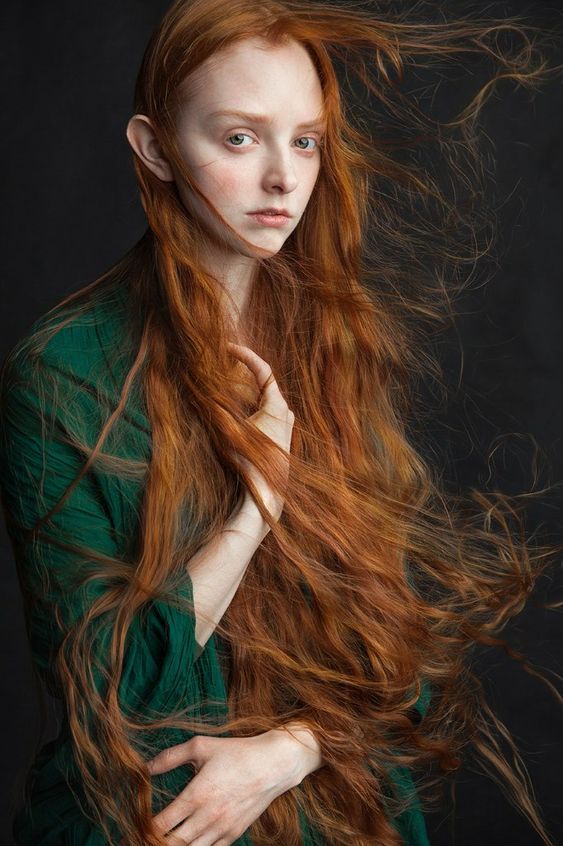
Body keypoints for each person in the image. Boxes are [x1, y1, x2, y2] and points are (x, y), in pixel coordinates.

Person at [1, 1, 561, 845]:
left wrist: (290, 751)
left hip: (339, 815)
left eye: (304, 141)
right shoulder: (61, 376)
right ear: (154, 147)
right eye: (239, 138)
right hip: (151, 823)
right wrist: (256, 504)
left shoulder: (330, 341)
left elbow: (397, 655)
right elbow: (113, 691)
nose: (282, 178)